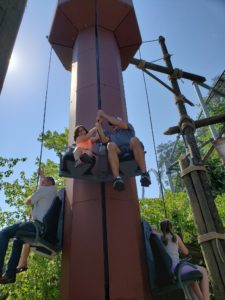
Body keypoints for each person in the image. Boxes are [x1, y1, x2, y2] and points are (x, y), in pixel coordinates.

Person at [0, 169, 57, 284]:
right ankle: (10, 274)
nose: (42, 183)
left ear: (49, 183)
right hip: (41, 228)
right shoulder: (51, 192)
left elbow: (28, 201)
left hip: (37, 227)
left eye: (44, 182)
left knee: (4, 233)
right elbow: (44, 182)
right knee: (18, 240)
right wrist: (42, 176)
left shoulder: (46, 190)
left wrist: (34, 193)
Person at [96, 109, 151, 191]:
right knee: (110, 145)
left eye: (114, 123)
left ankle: (144, 174)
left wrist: (103, 115)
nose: (114, 125)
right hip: (119, 151)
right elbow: (104, 140)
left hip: (131, 148)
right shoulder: (112, 135)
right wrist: (98, 125)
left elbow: (119, 123)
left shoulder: (128, 127)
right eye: (112, 125)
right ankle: (117, 178)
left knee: (134, 140)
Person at [159, 219, 210, 300]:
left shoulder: (159, 237)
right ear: (171, 227)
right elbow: (186, 252)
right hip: (177, 269)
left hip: (167, 270)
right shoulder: (175, 237)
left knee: (192, 279)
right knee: (203, 270)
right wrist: (177, 248)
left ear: (161, 228)